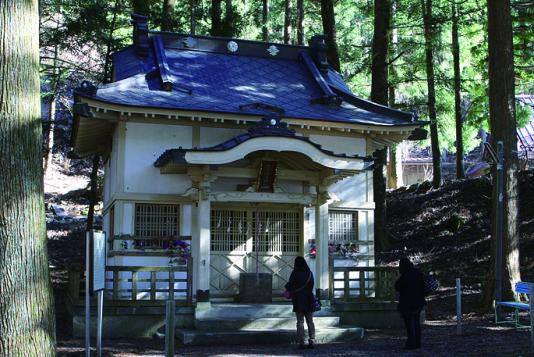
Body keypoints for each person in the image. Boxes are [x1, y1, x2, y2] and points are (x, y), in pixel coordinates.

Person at [394, 257, 426, 350]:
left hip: (407, 304)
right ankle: (417, 342)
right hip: (419, 302)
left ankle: (410, 343)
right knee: (416, 323)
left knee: (409, 325)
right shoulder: (418, 273)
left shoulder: (404, 276)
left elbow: (397, 286)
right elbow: (424, 286)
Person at [285, 256, 316, 349]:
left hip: (298, 299)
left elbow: (290, 285)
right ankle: (312, 340)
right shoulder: (309, 273)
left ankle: (301, 342)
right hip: (309, 299)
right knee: (310, 321)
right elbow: (312, 285)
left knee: (300, 322)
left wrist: (288, 288)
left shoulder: (295, 273)